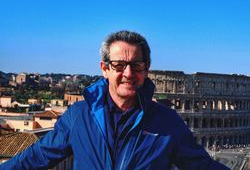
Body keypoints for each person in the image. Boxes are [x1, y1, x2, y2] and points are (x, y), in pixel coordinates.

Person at [1, 30, 229, 169]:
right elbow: (36, 158)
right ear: (105, 69)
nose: (128, 73)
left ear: (146, 69)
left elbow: (202, 166)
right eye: (119, 65)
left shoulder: (168, 123)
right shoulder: (79, 116)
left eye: (136, 65)